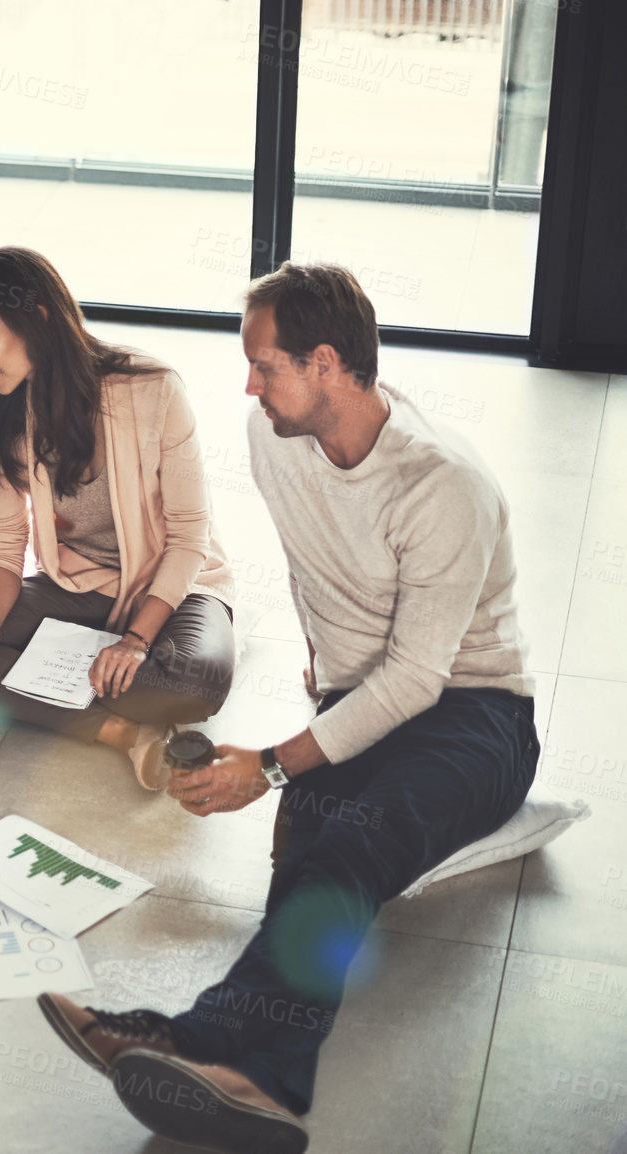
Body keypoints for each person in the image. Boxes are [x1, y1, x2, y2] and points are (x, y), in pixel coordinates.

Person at [37, 264, 537, 1154]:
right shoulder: (276, 435)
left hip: (475, 712)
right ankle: (261, 1082)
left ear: (328, 364)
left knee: (351, 843)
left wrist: (273, 767)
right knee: (311, 859)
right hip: (360, 694)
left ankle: (186, 1041)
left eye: (265, 366)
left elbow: (419, 680)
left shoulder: (443, 487)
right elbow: (318, 565)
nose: (248, 385)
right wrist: (323, 683)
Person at [0, 247, 236, 788]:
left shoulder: (154, 389)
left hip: (177, 587)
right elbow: (4, 548)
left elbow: (188, 539)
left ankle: (11, 689)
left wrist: (135, 641)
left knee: (200, 683)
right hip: (80, 586)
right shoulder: (7, 413)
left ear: (36, 319)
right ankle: (120, 732)